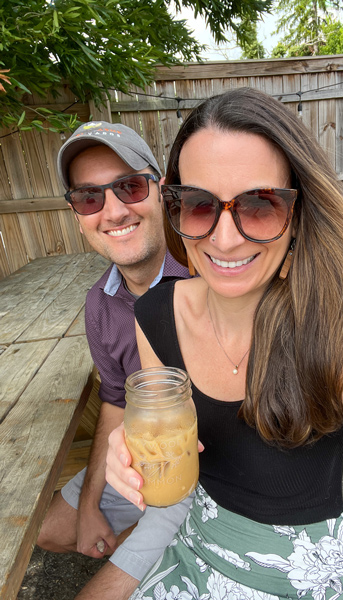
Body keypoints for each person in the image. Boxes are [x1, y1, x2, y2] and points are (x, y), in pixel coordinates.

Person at [105, 88, 343, 599]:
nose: (224, 239)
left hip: (300, 577)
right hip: (192, 550)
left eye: (260, 205)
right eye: (199, 205)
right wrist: (136, 451)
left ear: (298, 213)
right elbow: (171, 456)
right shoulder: (153, 316)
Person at [37, 121, 192, 600]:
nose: (113, 210)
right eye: (89, 197)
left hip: (209, 475)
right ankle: (142, 550)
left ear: (161, 191)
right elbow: (113, 400)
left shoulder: (206, 270)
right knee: (51, 531)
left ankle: (160, 553)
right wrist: (89, 505)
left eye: (128, 186)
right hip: (141, 459)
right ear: (76, 213)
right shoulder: (101, 303)